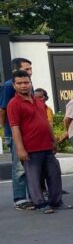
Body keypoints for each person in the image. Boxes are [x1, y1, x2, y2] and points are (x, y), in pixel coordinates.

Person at [6, 70, 69, 213]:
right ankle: (40, 204)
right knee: (33, 178)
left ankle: (56, 201)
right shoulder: (13, 104)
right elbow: (15, 128)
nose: (23, 86)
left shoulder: (39, 102)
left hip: (46, 145)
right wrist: (20, 149)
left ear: (31, 83)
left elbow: (46, 123)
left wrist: (54, 141)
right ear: (14, 86)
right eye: (20, 83)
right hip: (30, 148)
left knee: (54, 174)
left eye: (26, 82)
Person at [0, 57, 34, 209]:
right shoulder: (9, 85)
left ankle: (34, 196)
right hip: (14, 132)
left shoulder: (29, 85)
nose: (30, 72)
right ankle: (20, 199)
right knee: (19, 167)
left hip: (29, 132)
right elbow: (3, 109)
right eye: (27, 69)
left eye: (30, 69)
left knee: (31, 165)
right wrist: (6, 131)